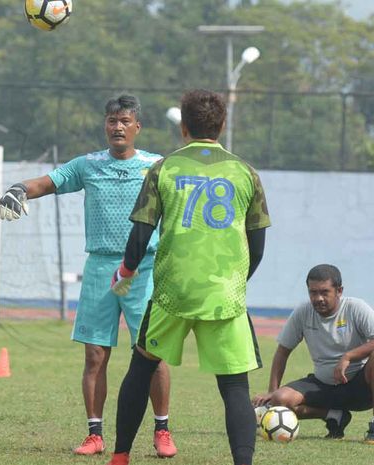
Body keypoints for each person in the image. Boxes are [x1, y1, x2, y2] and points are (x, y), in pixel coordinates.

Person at [0, 95, 176, 457]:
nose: (118, 127)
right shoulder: (88, 165)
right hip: (100, 269)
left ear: (137, 127)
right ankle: (95, 434)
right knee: (95, 355)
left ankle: (162, 430)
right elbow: (48, 182)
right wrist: (19, 189)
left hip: (144, 269)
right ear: (105, 126)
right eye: (112, 120)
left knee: (152, 353)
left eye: (125, 120)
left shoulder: (157, 166)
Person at [104, 89, 271, 465]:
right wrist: (237, 280)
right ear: (223, 125)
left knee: (142, 367)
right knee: (234, 386)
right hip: (225, 295)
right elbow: (258, 245)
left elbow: (142, 233)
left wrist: (126, 271)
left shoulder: (163, 169)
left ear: (183, 127)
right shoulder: (246, 172)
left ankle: (120, 457)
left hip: (172, 291)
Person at [252, 264, 374, 445]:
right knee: (280, 400)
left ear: (339, 291)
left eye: (325, 292)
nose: (318, 298)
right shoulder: (303, 312)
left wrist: (348, 356)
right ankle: (335, 415)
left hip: (361, 389)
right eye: (313, 292)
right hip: (323, 385)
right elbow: (282, 352)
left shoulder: (356, 308)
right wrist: (272, 391)